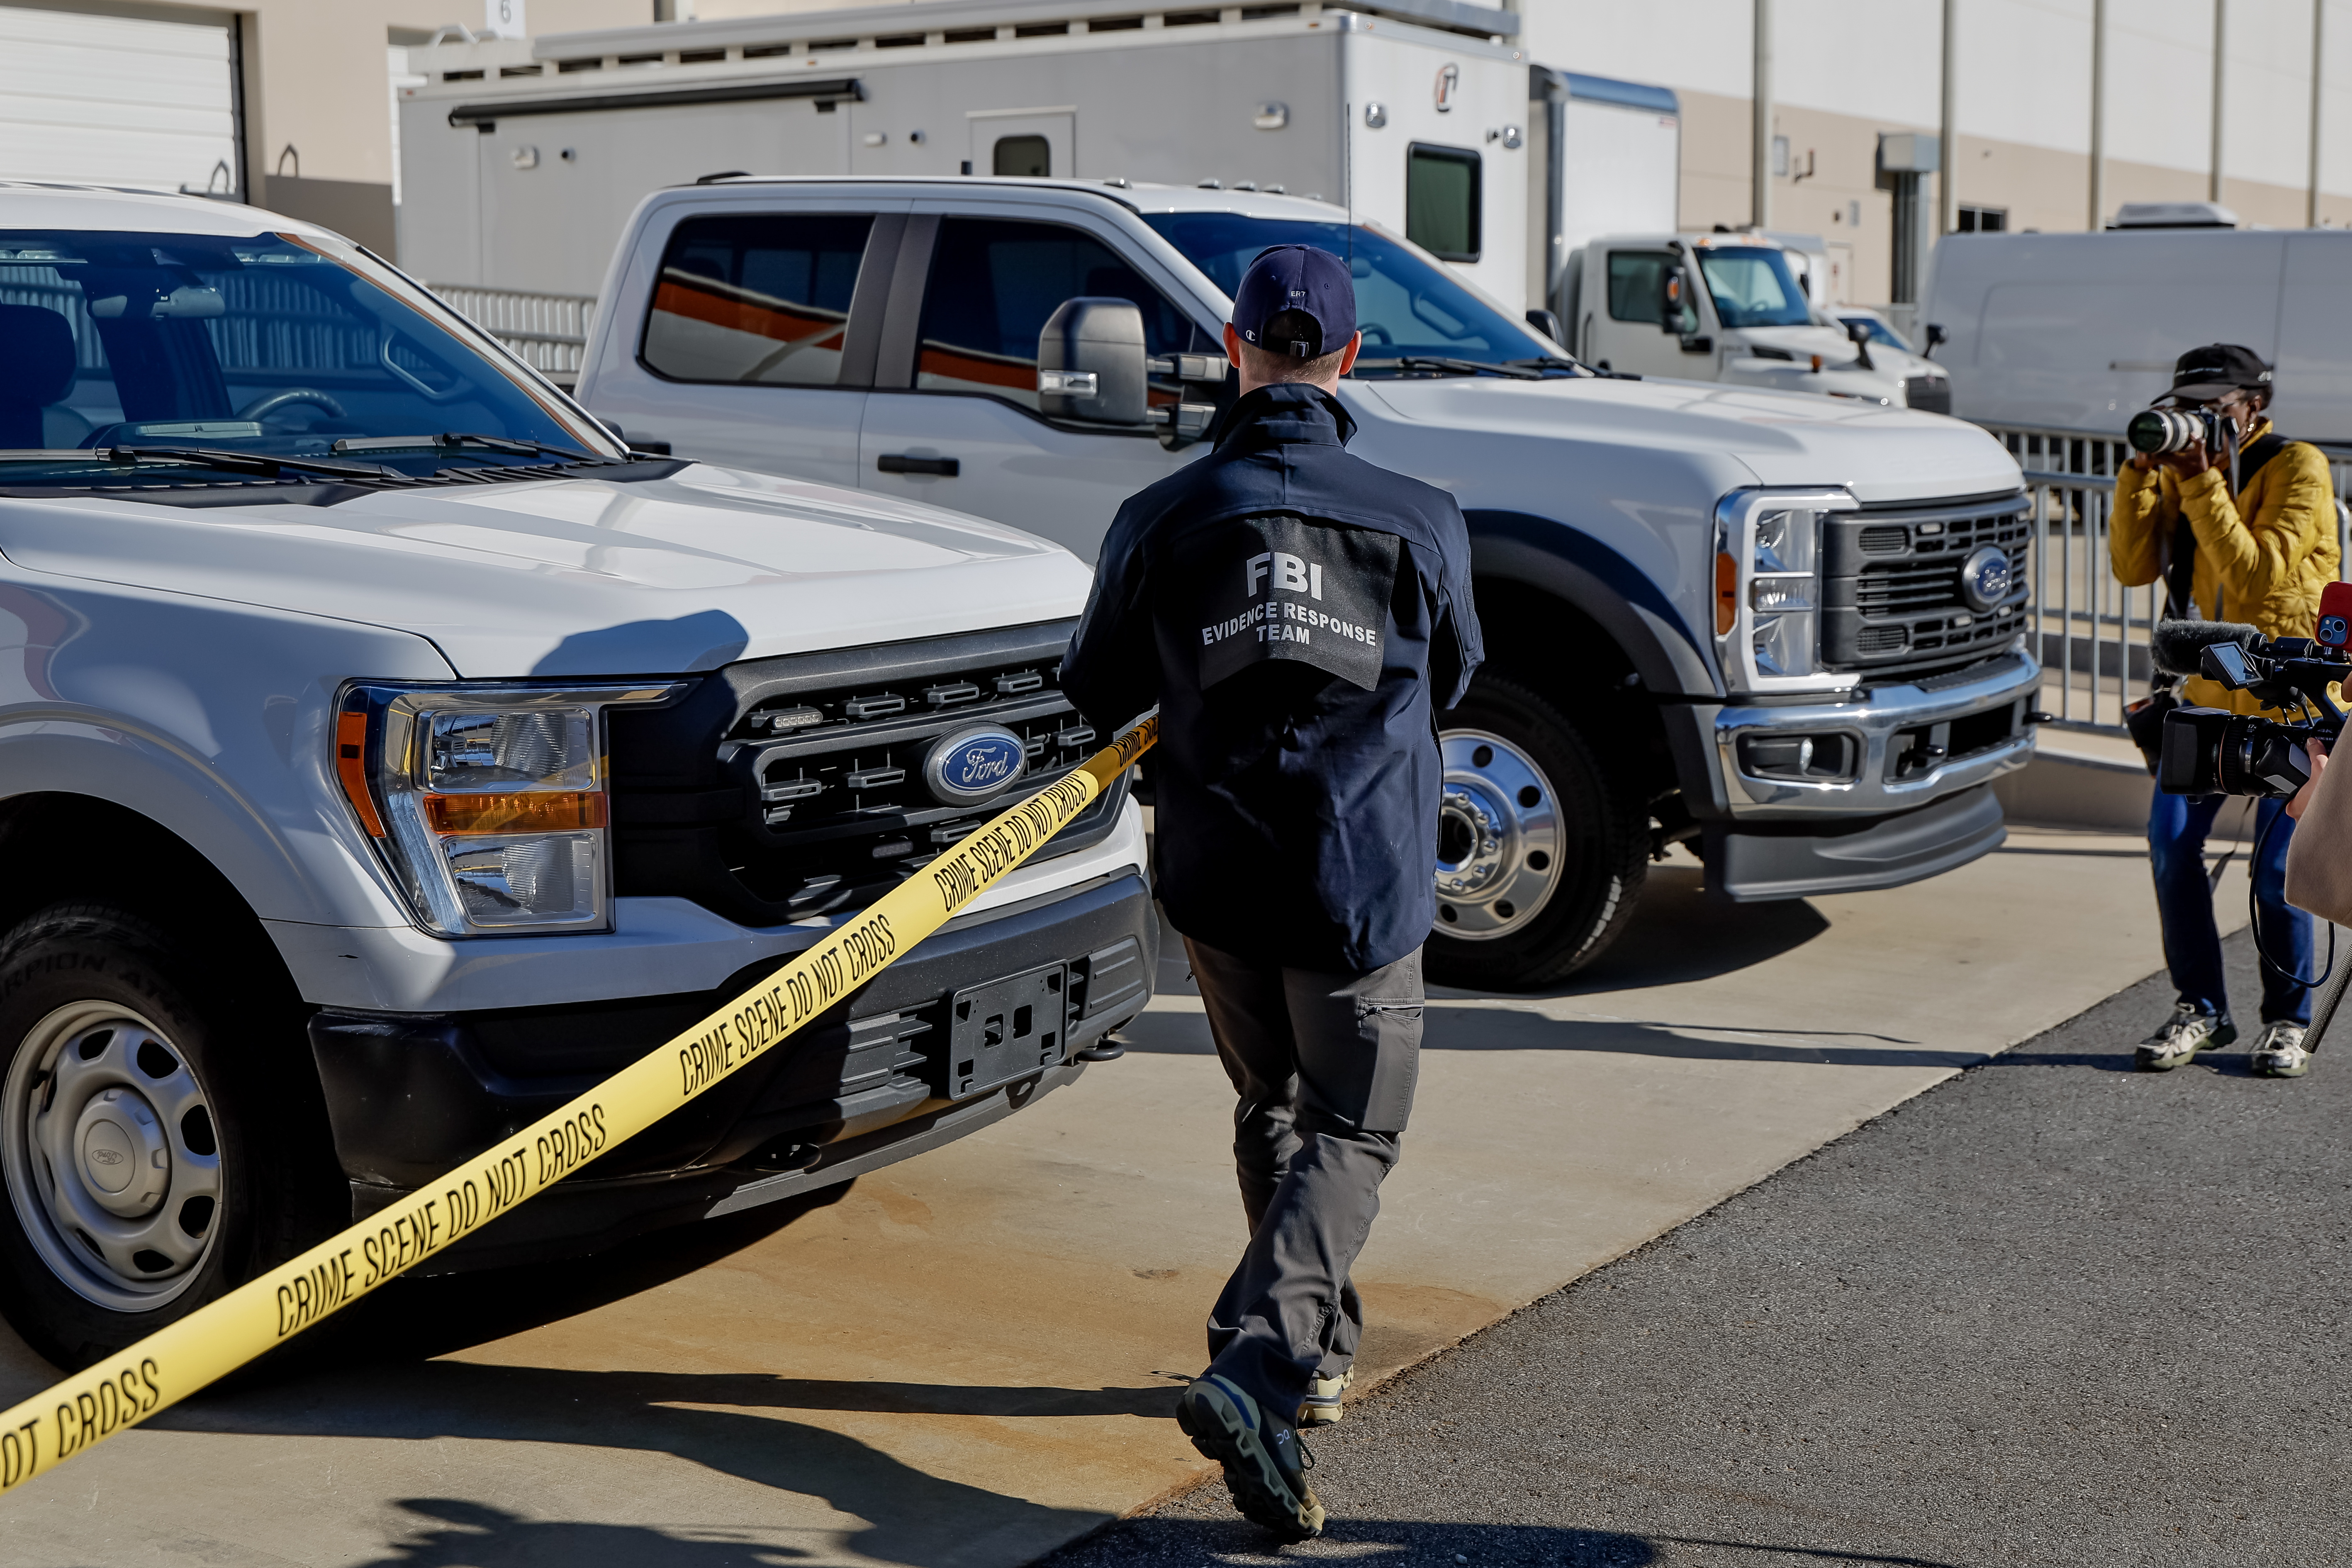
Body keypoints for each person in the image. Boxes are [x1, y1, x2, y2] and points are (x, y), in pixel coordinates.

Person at [1059, 245, 1480, 1541]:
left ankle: (1311, 1351)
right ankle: (1261, 1361)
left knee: (1272, 1102)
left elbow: (1094, 685)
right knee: (1353, 1128)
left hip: (1219, 875)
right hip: (1360, 880)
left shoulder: (1162, 514)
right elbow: (1453, 675)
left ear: (1234, 351)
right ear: (1346, 359)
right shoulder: (1418, 516)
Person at [2111, 343, 2339, 1077]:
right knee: (2170, 849)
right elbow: (2130, 567)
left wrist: (2201, 481)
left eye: (2214, 406)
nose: (2198, 419)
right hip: (2206, 704)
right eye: (2185, 407)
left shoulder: (2297, 466)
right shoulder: (2183, 472)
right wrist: (2140, 474)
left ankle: (2286, 1022)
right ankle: (2201, 1009)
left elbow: (2255, 578)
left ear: (2253, 406)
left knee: (2279, 871)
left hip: (2293, 705)